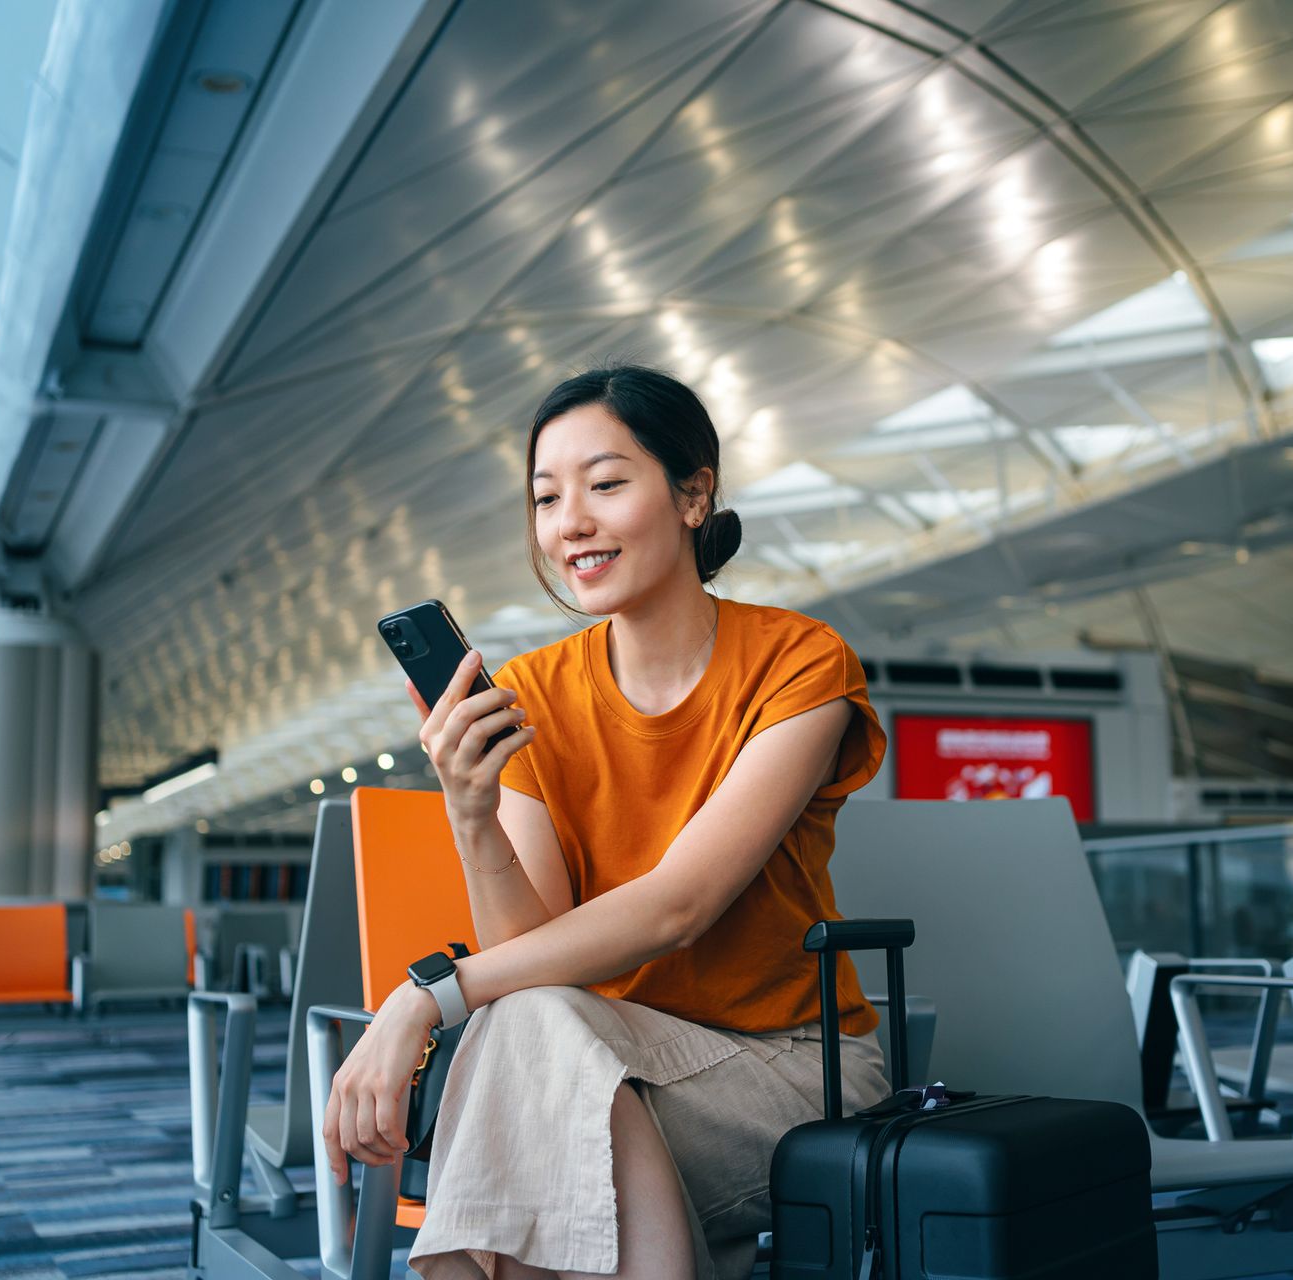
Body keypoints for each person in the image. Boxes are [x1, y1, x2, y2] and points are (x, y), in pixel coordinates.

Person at [320, 365, 890, 1279]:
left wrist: (425, 996)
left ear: (694, 493)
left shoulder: (798, 662)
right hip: (586, 1056)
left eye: (606, 483)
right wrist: (471, 813)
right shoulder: (536, 694)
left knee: (526, 1107)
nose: (569, 523)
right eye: (547, 498)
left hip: (789, 1070)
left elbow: (677, 908)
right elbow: (532, 955)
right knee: (541, 1050)